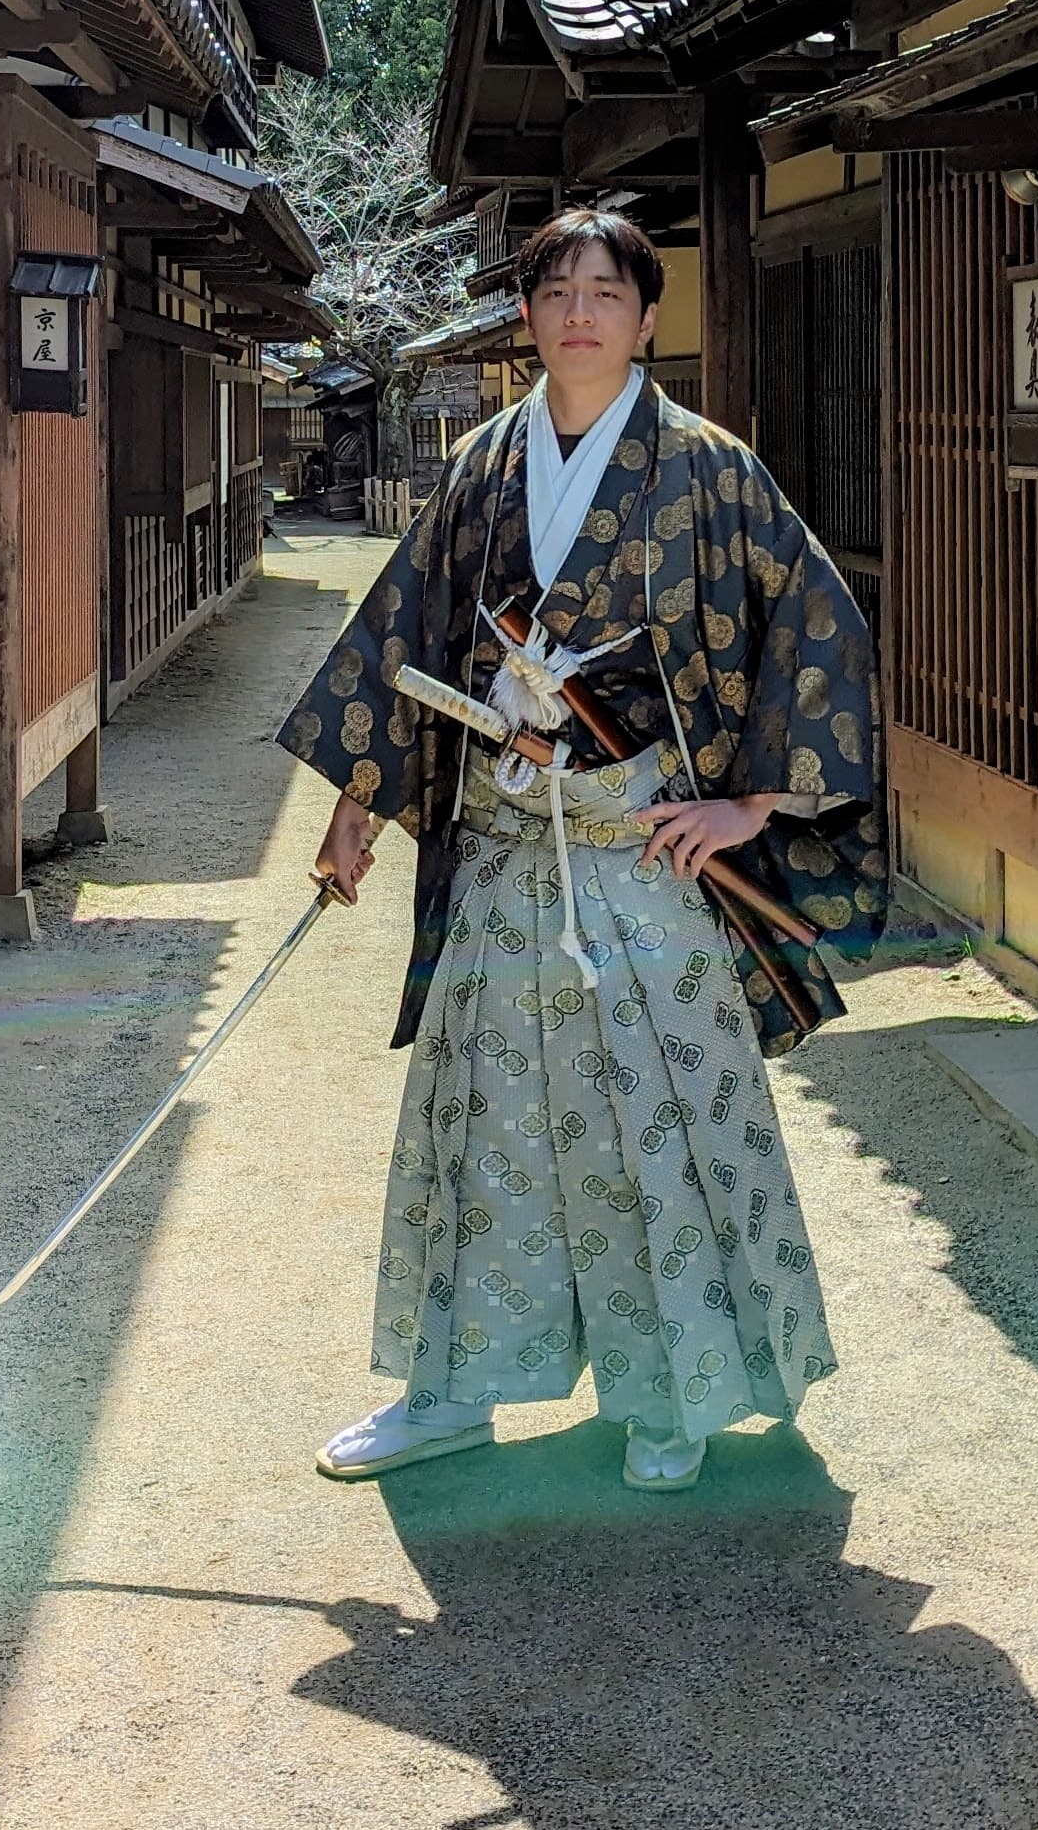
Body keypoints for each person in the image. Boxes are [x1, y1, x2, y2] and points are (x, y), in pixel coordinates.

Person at [278, 205, 885, 1495]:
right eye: (556, 290)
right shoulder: (481, 467)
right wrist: (357, 802)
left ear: (648, 318)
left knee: (655, 1126)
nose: (580, 314)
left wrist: (751, 805)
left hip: (643, 855)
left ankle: (674, 1393)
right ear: (527, 314)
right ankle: (450, 1388)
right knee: (477, 1122)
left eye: (607, 291)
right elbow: (409, 627)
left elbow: (816, 622)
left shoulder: (711, 470)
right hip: (506, 852)